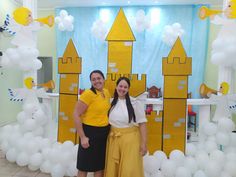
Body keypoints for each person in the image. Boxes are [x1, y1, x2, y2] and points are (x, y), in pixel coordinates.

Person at [104, 77, 147, 177]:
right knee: (113, 167)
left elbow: (142, 124)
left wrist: (144, 144)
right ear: (116, 87)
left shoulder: (135, 103)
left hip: (130, 141)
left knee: (128, 169)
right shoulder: (111, 102)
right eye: (120, 86)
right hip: (113, 140)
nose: (122, 89)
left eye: (125, 87)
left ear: (128, 89)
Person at [73, 70, 111, 177]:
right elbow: (76, 114)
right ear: (91, 82)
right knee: (83, 166)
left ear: (103, 79)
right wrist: (82, 137)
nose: (96, 81)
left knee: (99, 166)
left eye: (99, 78)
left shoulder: (106, 92)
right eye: (93, 79)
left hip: (103, 133)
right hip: (89, 133)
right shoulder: (88, 94)